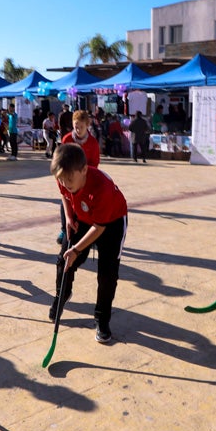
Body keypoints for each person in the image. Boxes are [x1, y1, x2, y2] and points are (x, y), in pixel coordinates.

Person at [49, 142, 128, 344]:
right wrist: (68, 217)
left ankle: (102, 318)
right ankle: (62, 295)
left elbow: (99, 228)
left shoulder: (102, 187)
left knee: (107, 274)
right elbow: (64, 195)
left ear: (84, 170)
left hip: (111, 223)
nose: (65, 183)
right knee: (63, 260)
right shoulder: (64, 176)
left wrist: (76, 249)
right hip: (82, 218)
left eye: (69, 179)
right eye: (62, 179)